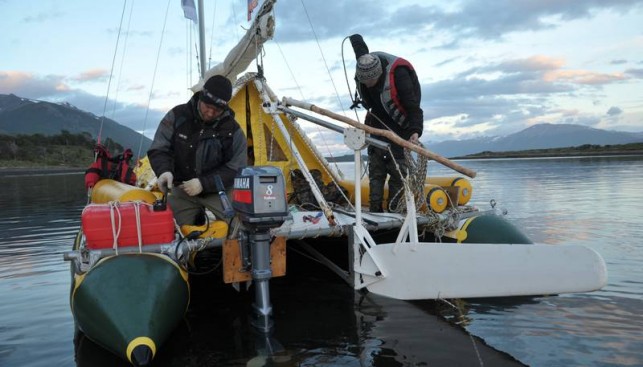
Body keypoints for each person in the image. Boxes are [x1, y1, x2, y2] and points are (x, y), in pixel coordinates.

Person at [147, 74, 247, 227]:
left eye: (217, 110)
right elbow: (159, 148)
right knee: (171, 229)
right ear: (201, 98)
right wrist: (164, 171)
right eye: (208, 107)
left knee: (240, 227)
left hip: (219, 191)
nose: (210, 113)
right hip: (182, 190)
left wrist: (204, 183)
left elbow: (236, 168)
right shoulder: (177, 116)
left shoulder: (233, 131)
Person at [349, 34, 424, 212]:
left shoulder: (399, 75)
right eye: (363, 81)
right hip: (376, 121)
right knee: (376, 171)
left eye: (370, 81)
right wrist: (355, 38)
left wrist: (415, 130)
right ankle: (375, 209)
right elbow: (360, 49)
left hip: (400, 126)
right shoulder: (364, 65)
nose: (367, 85)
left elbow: (413, 106)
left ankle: (394, 210)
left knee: (398, 171)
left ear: (379, 74)